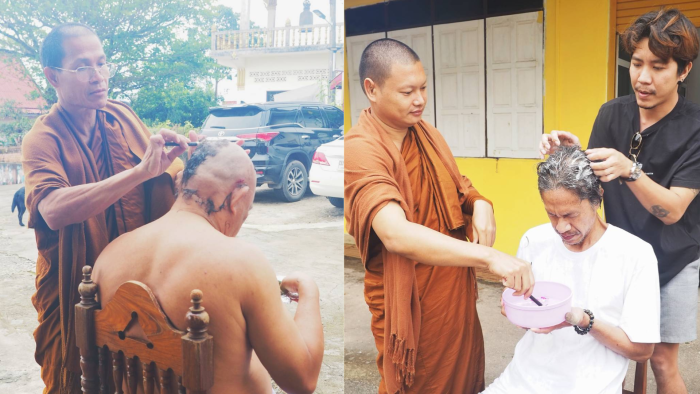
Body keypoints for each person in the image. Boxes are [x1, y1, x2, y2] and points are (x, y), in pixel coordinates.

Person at [344, 38, 535, 394]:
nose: (420, 99)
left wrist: (482, 204)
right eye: (406, 91)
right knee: (416, 381)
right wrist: (490, 256)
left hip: (452, 296)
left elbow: (459, 187)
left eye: (423, 88)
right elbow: (396, 234)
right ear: (372, 89)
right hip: (409, 303)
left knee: (460, 376)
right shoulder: (359, 150)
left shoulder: (428, 136)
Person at [22, 23, 195, 393]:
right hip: (75, 288)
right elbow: (52, 208)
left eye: (102, 63)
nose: (99, 76)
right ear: (53, 76)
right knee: (76, 380)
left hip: (133, 286)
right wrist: (137, 173)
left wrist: (179, 167)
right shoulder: (43, 138)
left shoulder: (121, 116)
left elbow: (157, 177)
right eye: (84, 66)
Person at [540, 8, 700, 393]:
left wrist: (630, 170)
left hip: (673, 259)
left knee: (661, 360)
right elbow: (592, 182)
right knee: (609, 349)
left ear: (684, 70)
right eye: (637, 63)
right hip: (618, 256)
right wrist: (572, 155)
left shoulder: (695, 128)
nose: (643, 78)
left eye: (659, 66)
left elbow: (673, 210)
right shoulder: (612, 113)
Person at [92, 140, 324, 394]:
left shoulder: (108, 256)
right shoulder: (242, 264)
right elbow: (302, 381)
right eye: (244, 215)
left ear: (181, 185)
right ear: (237, 197)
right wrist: (308, 289)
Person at [483, 145, 659, 394]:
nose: (561, 226)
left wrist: (585, 320)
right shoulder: (534, 240)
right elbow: (528, 319)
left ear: (597, 198)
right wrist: (515, 309)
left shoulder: (634, 254)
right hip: (521, 381)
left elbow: (643, 351)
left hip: (589, 386)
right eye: (551, 214)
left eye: (570, 214)